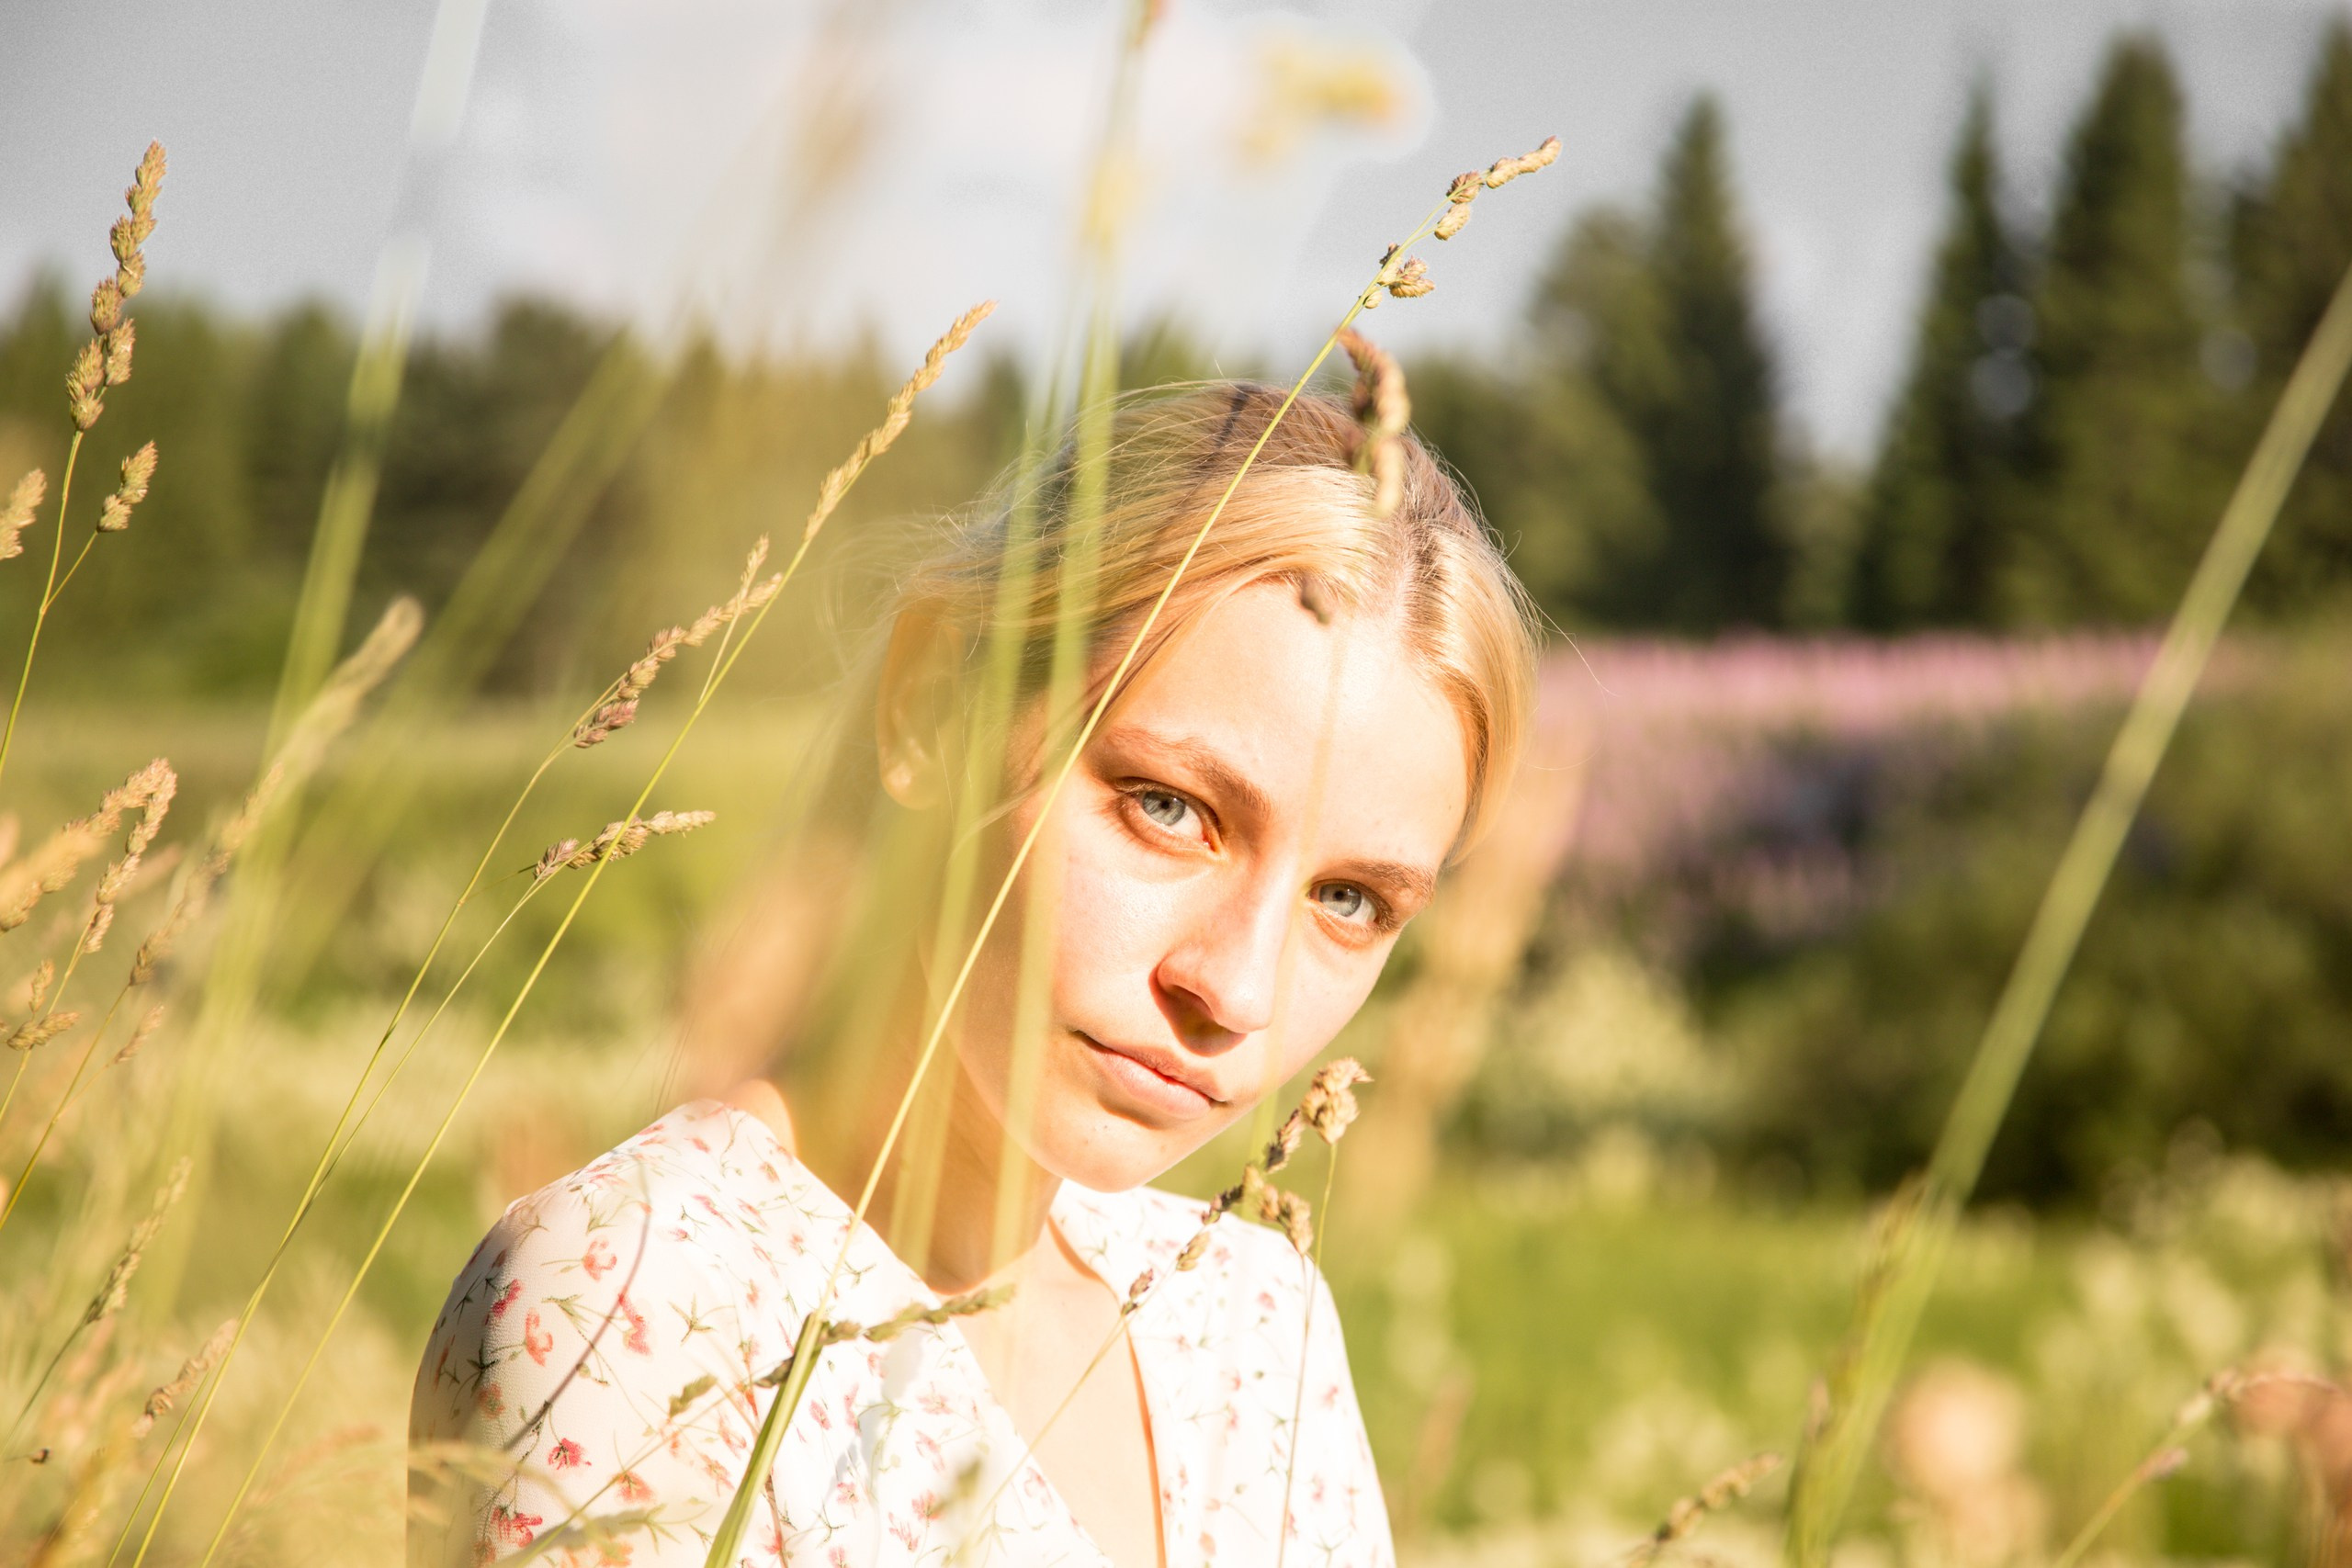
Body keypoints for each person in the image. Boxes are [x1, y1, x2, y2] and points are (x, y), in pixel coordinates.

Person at [408, 381, 1539, 1567]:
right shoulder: (636, 1303)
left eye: (1348, 901)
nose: (1237, 993)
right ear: (931, 707)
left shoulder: (1255, 1327)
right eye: (1169, 809)